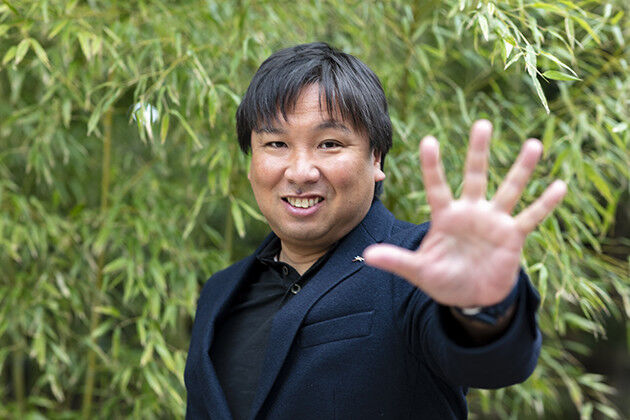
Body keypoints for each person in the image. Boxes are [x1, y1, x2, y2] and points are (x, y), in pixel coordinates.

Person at [184, 42, 567, 419]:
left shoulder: (418, 264)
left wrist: (477, 306)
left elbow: (494, 366)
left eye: (329, 143)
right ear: (252, 161)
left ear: (376, 158)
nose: (300, 172)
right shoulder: (220, 293)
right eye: (276, 143)